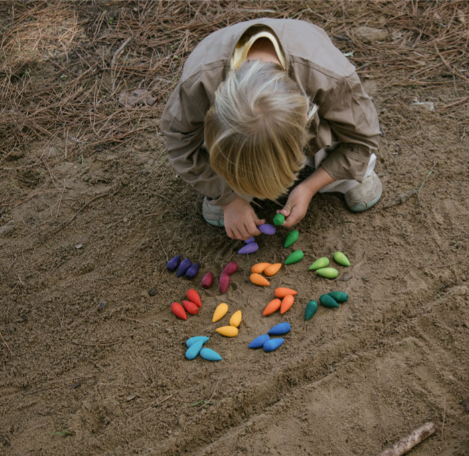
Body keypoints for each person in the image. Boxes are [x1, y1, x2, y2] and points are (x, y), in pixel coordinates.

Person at [161, 18, 382, 241]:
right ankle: (227, 189)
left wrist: (309, 187)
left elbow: (363, 139)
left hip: (319, 107)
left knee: (350, 138)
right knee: (206, 149)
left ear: (306, 117)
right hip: (227, 124)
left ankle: (347, 179)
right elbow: (180, 146)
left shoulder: (331, 78)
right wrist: (227, 198)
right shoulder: (197, 86)